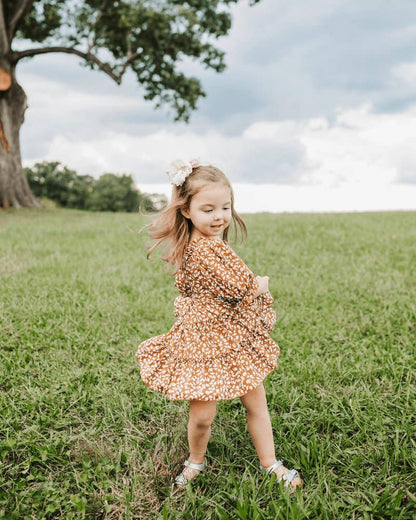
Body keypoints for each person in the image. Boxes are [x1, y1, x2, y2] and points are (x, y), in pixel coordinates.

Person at [136, 159, 303, 492]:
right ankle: (195, 460)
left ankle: (269, 463)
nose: (219, 216)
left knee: (256, 402)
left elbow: (234, 288)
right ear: (186, 210)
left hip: (230, 334)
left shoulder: (214, 244)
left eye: (225, 207)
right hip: (200, 339)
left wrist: (250, 287)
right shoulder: (200, 250)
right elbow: (242, 287)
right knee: (202, 414)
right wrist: (261, 285)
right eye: (208, 209)